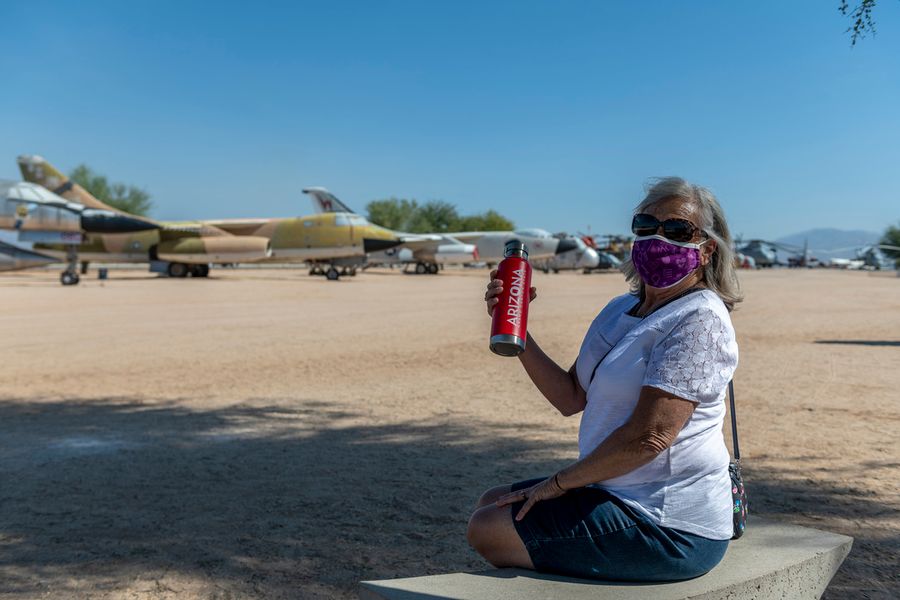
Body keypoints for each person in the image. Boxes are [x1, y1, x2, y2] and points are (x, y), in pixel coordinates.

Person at [467, 177, 743, 582]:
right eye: (645, 225)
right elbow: (571, 396)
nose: (657, 238)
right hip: (616, 490)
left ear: (707, 250)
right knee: (491, 503)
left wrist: (558, 484)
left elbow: (650, 437)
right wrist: (517, 328)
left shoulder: (700, 319)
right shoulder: (621, 308)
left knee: (487, 529)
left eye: (677, 229)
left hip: (670, 523)